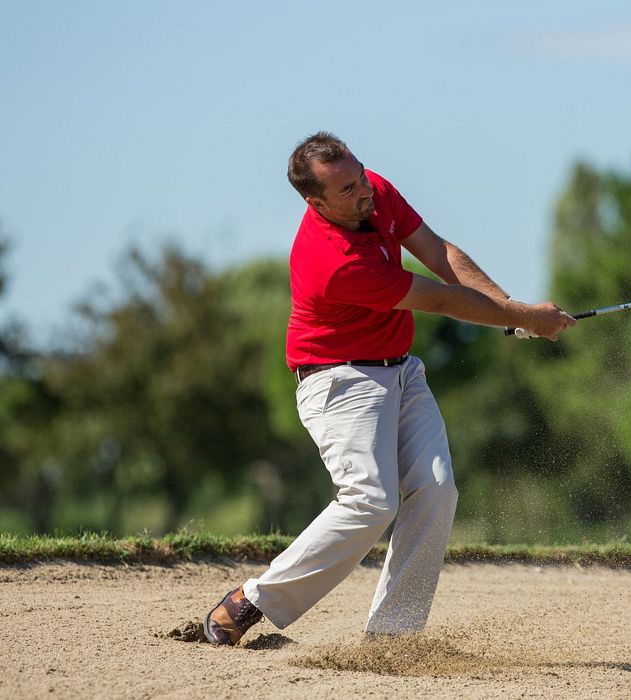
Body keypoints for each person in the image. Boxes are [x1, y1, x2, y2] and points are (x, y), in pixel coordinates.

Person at [203, 132, 575, 645]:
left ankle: (392, 638)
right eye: (348, 188)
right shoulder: (334, 260)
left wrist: (508, 308)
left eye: (360, 174)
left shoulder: (371, 190)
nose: (364, 191)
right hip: (339, 382)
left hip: (398, 371)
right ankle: (251, 601)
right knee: (371, 501)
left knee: (437, 488)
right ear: (317, 202)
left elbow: (439, 252)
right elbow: (440, 299)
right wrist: (525, 318)